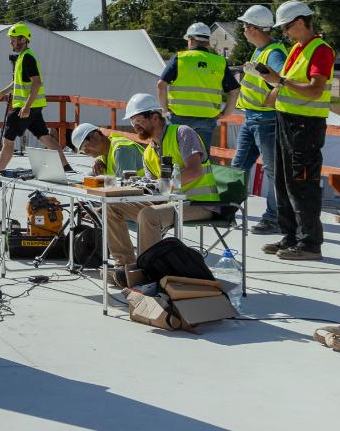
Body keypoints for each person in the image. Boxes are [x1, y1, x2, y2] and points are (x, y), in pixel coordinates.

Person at [82, 94, 221, 283]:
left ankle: (148, 271)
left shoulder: (183, 133)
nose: (135, 126)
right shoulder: (149, 152)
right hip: (170, 203)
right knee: (111, 207)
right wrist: (134, 189)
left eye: (138, 121)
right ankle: (126, 267)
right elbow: (155, 191)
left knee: (148, 215)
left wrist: (165, 184)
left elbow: (195, 171)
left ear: (155, 117)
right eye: (132, 122)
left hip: (199, 204)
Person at [260, 1, 334, 261]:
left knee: (302, 184)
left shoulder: (320, 50)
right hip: (288, 121)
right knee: (284, 182)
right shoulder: (297, 49)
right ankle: (291, 236)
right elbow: (288, 84)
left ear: (300, 22)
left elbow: (314, 90)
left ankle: (310, 243)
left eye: (286, 27)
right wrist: (274, 90)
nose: (284, 33)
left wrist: (279, 81)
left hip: (305, 126)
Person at [0, 23, 71, 185]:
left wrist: (26, 107)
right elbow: (17, 83)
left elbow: (36, 82)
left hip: (24, 108)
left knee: (8, 140)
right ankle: (67, 168)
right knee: (45, 137)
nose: (10, 42)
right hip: (33, 107)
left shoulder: (27, 58)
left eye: (13, 39)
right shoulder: (22, 57)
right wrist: (1, 93)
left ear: (22, 39)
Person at [232, 5, 288, 235]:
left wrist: (271, 98)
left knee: (272, 171)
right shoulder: (261, 51)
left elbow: (285, 81)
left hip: (266, 120)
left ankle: (275, 219)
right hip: (253, 118)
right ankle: (227, 209)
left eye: (245, 26)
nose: (243, 30)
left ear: (254, 28)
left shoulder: (273, 53)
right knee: (238, 167)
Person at [157, 22, 240, 149]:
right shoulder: (219, 62)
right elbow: (234, 91)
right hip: (207, 119)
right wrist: (225, 113)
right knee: (202, 156)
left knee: (177, 155)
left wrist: (165, 108)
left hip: (180, 117)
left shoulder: (180, 58)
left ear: (190, 39)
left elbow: (161, 85)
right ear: (208, 41)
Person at [70, 122, 153, 178]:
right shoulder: (105, 151)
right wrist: (98, 160)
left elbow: (126, 188)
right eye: (82, 150)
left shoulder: (122, 150)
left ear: (96, 136)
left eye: (86, 146)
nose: (86, 152)